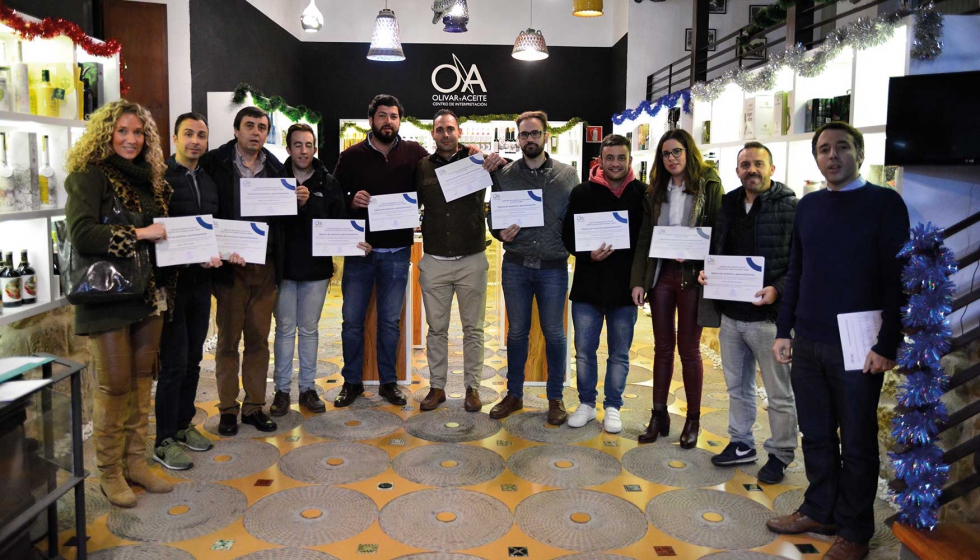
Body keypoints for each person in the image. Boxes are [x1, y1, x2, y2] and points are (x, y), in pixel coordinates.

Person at [766, 122, 909, 560]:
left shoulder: (885, 204)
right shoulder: (808, 206)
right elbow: (797, 272)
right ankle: (819, 509)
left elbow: (897, 280)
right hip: (808, 339)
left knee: (859, 440)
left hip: (858, 345)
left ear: (859, 154)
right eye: (824, 149)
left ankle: (854, 530)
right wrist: (784, 330)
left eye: (842, 147)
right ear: (816, 158)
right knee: (817, 434)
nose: (832, 155)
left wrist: (887, 344)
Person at [332, 94, 487, 408]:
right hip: (360, 251)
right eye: (382, 116)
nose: (388, 121)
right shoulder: (350, 156)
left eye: (393, 116)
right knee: (351, 321)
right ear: (372, 119)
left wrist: (477, 154)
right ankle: (351, 383)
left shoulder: (416, 155)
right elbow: (332, 198)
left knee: (391, 322)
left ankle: (389, 383)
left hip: (399, 251)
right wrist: (350, 200)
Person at [65, 99, 176, 507]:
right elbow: (83, 235)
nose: (131, 139)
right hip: (106, 297)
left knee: (143, 383)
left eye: (138, 132)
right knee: (113, 386)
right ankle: (109, 472)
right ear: (106, 133)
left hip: (148, 296)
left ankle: (136, 463)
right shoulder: (88, 175)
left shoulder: (150, 178)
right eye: (123, 131)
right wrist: (142, 234)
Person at [697, 141, 799, 482]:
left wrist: (778, 290)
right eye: (745, 165)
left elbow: (801, 262)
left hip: (770, 319)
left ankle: (781, 453)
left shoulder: (789, 207)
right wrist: (707, 272)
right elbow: (718, 249)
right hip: (732, 316)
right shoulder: (728, 202)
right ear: (737, 170)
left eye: (758, 164)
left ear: (771, 168)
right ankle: (741, 443)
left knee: (779, 392)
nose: (751, 170)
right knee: (737, 387)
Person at [199, 106, 291, 436]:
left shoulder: (278, 170)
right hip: (228, 269)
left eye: (262, 127)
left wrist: (299, 199)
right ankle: (227, 409)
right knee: (227, 341)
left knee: (258, 341)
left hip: (264, 267)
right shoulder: (214, 164)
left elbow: (284, 222)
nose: (256, 132)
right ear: (236, 130)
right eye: (249, 126)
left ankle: (253, 407)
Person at [630, 128, 723, 448]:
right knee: (662, 348)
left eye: (677, 152)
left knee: (689, 350)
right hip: (662, 275)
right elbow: (645, 237)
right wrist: (639, 281)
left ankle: (693, 419)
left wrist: (709, 264)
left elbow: (718, 231)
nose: (671, 158)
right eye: (666, 154)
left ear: (689, 153)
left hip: (693, 277)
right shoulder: (656, 189)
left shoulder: (709, 184)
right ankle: (659, 415)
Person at [487, 110, 580, 426]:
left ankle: (555, 398)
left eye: (534, 133)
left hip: (553, 267)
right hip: (516, 266)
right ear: (518, 137)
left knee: (555, 333)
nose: (529, 139)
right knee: (517, 333)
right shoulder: (505, 175)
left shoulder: (568, 176)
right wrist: (499, 232)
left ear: (546, 136)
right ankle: (514, 394)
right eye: (523, 134)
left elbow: (576, 222)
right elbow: (493, 218)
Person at [415, 109, 505, 412]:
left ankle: (472, 388)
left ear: (460, 132)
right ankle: (437, 387)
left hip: (471, 259)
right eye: (439, 129)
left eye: (450, 129)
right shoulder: (422, 167)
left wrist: (495, 161)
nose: (445, 134)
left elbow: (509, 181)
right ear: (432, 134)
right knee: (436, 329)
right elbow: (407, 202)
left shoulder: (476, 161)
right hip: (435, 260)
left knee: (473, 329)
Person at [562, 134, 646, 433]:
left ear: (629, 160)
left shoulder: (643, 194)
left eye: (621, 158)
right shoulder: (582, 193)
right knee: (584, 351)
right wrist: (588, 253)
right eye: (609, 158)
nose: (615, 163)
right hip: (588, 286)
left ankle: (613, 406)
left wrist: (642, 282)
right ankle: (586, 403)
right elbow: (568, 236)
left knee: (619, 353)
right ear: (600, 160)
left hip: (625, 290)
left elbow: (645, 244)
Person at [269, 123, 355, 417]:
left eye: (308, 145)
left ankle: (307, 388)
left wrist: (357, 241)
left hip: (316, 270)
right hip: (281, 268)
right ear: (288, 147)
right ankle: (281, 391)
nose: (303, 151)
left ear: (314, 149)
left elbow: (340, 220)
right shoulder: (274, 180)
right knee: (283, 330)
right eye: (297, 145)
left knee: (308, 330)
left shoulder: (328, 183)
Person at [153, 112, 221, 470]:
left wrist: (219, 253)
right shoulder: (160, 178)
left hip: (201, 284)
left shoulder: (209, 181)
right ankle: (163, 439)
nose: (195, 141)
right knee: (174, 364)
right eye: (189, 134)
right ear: (176, 138)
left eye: (202, 135)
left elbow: (214, 229)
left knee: (194, 360)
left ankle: (183, 426)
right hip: (172, 286)